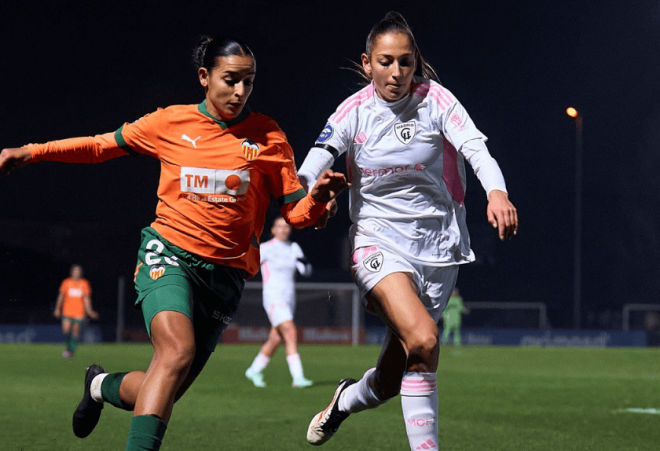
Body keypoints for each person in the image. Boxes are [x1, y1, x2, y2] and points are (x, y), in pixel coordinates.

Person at [0, 36, 346, 451]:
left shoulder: (269, 137)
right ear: (204, 77)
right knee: (176, 352)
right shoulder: (169, 123)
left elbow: (296, 214)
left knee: (161, 388)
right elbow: (100, 146)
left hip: (226, 278)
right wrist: (32, 152)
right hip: (169, 255)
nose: (240, 92)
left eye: (248, 82)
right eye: (230, 80)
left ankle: (99, 386)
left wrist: (321, 201)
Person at [297, 12, 518, 449]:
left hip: (440, 249)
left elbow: (476, 147)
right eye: (385, 61)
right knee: (423, 337)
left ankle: (344, 401)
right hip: (377, 241)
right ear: (366, 63)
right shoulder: (353, 112)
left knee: (391, 377)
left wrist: (498, 192)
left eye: (405, 62)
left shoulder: (436, 100)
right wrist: (311, 195)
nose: (395, 72)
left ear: (416, 63)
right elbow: (310, 167)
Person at [245, 216, 314, 388]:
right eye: (279, 227)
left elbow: (305, 271)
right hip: (273, 298)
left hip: (289, 299)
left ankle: (254, 370)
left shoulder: (293, 247)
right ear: (273, 230)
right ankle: (298, 378)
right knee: (290, 331)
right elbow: (249, 267)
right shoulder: (266, 248)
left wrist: (303, 263)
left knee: (275, 338)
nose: (283, 230)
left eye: (286, 227)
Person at [54, 264, 99, 358]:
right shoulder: (66, 282)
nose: (76, 273)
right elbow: (61, 296)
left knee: (75, 331)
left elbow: (86, 299)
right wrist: (57, 309)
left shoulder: (84, 283)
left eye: (78, 271)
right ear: (71, 272)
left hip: (79, 312)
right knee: (66, 330)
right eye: (75, 271)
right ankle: (68, 348)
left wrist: (90, 311)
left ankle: (71, 352)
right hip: (67, 311)